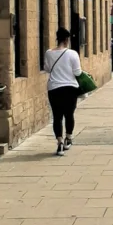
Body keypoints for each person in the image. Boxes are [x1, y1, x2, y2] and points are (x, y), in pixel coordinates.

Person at [44, 27, 82, 156]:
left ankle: (59, 142)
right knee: (69, 115)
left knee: (57, 116)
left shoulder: (49, 53)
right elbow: (77, 72)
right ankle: (68, 138)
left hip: (54, 88)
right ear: (67, 40)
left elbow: (47, 69)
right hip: (70, 88)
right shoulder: (72, 54)